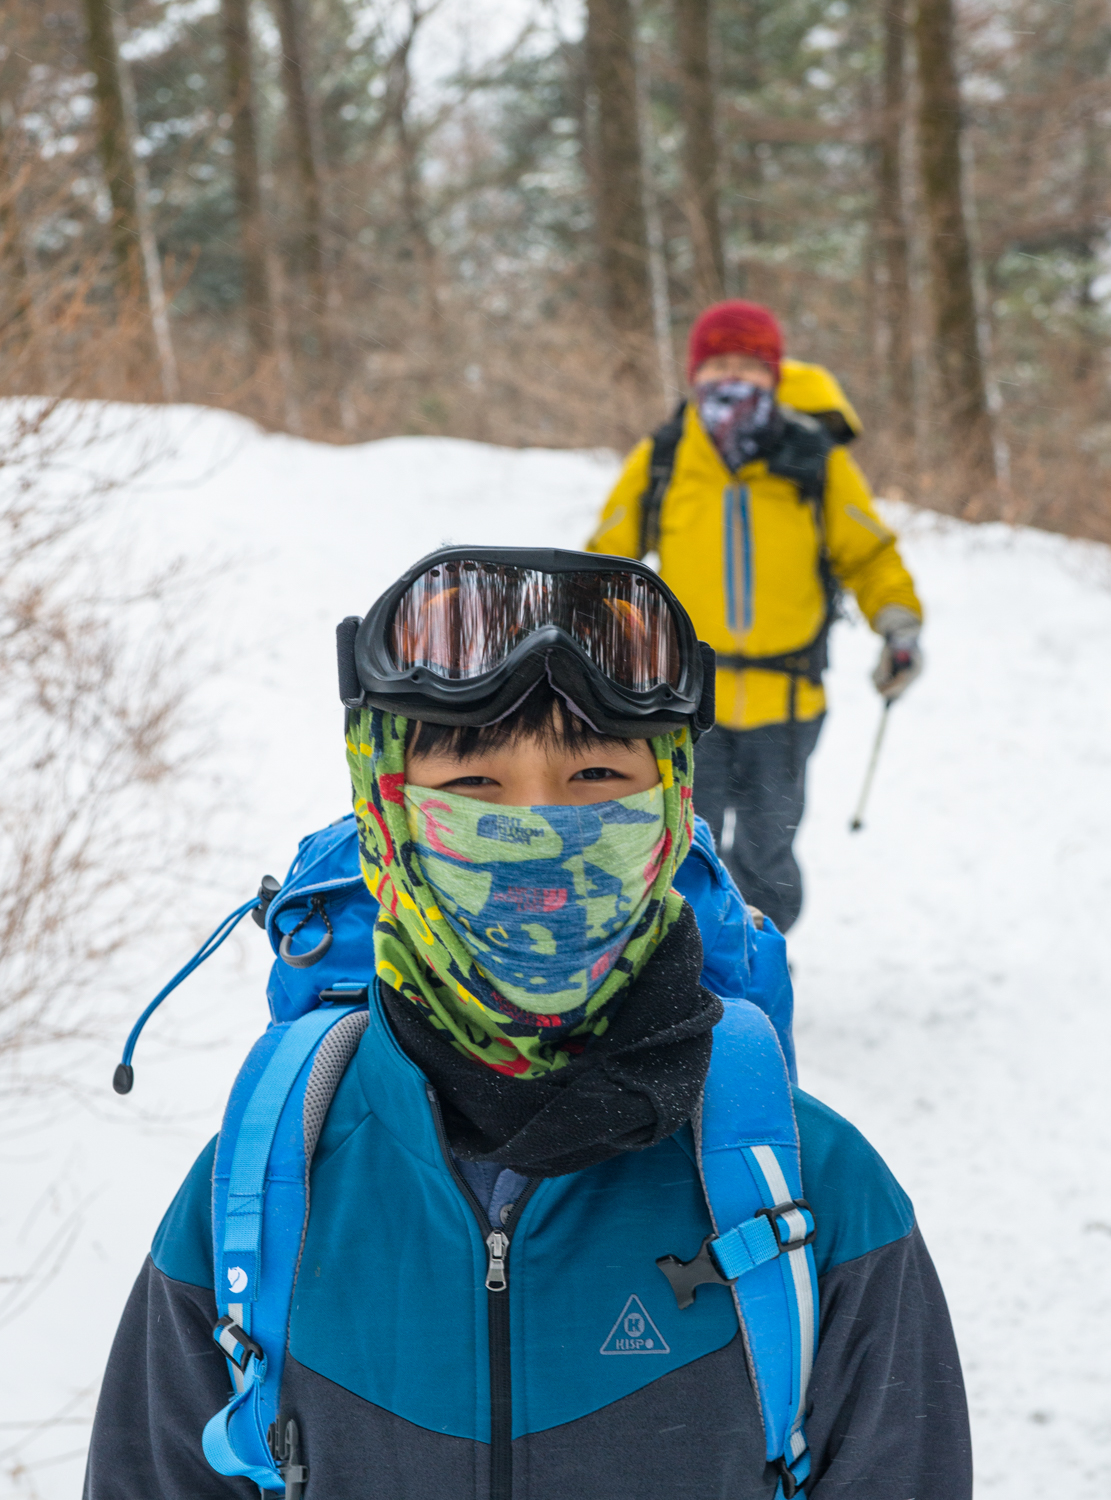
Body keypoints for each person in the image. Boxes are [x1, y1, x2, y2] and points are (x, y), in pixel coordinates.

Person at [84, 548, 969, 1500]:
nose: (541, 831)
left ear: (672, 807)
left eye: (595, 773)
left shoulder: (817, 1197)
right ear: (386, 815)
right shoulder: (257, 1198)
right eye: (473, 787)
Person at [587, 300, 924, 932]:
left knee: (769, 850)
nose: (733, 377)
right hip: (688, 699)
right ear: (694, 373)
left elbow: (869, 552)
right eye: (718, 362)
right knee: (686, 843)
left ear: (776, 372)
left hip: (788, 700)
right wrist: (588, 630)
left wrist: (898, 622)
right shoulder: (664, 456)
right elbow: (606, 559)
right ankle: (694, 961)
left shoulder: (813, 457)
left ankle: (762, 954)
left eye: (749, 363)